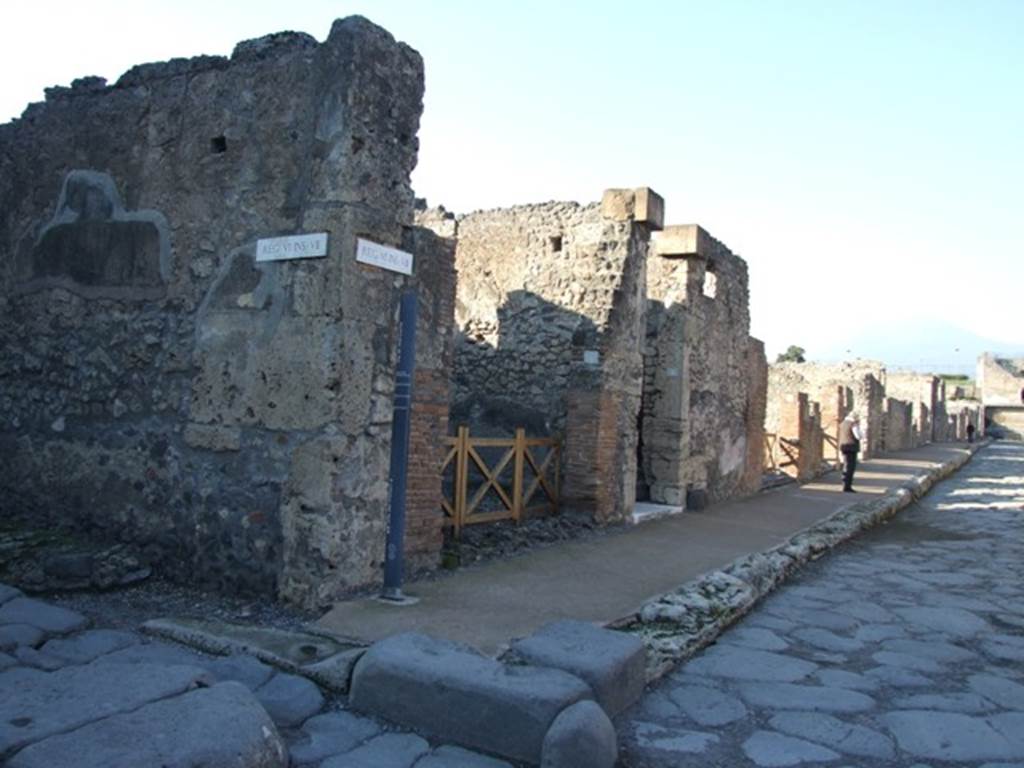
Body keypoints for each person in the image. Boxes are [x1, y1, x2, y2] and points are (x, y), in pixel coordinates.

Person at [838, 412, 862, 492]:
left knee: (846, 465)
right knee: (850, 467)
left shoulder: (842, 423)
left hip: (844, 446)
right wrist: (859, 427)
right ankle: (847, 486)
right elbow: (858, 436)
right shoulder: (853, 424)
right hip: (851, 447)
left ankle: (844, 483)